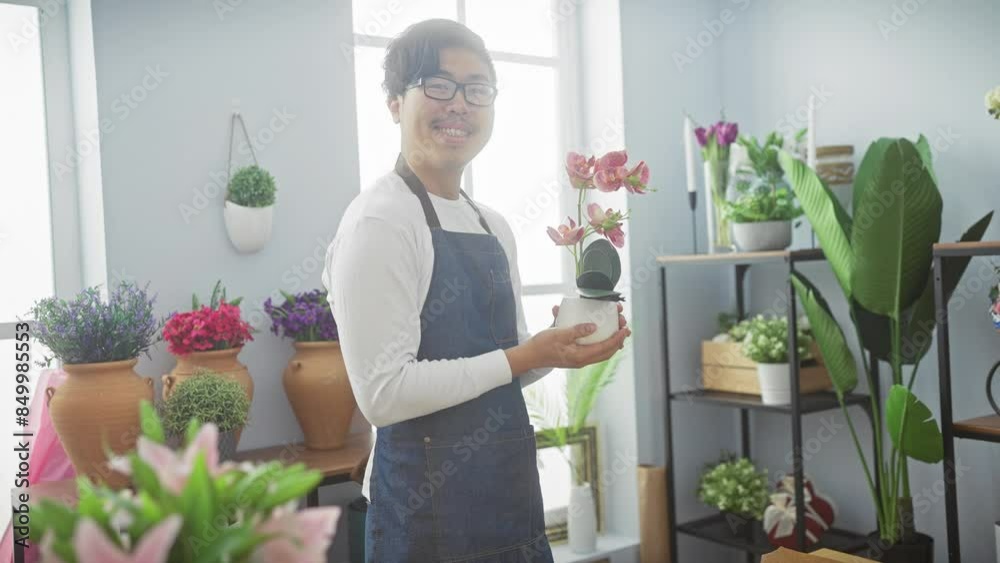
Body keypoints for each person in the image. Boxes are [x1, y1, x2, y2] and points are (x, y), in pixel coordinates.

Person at [322, 18, 630, 563]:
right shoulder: (381, 220)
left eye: (477, 89)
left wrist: (555, 348)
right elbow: (383, 395)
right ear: (395, 102)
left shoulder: (491, 224)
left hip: (509, 503)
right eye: (437, 85)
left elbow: (504, 358)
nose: (459, 103)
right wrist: (522, 357)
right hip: (425, 523)